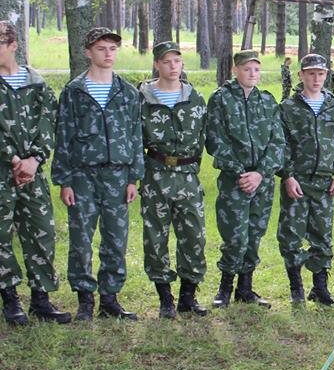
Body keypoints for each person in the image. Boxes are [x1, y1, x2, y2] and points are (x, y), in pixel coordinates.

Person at [52, 27, 144, 321]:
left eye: (113, 49)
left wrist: (133, 177)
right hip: (83, 176)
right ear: (88, 52)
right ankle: (84, 301)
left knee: (116, 238)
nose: (108, 54)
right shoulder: (74, 91)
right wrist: (64, 180)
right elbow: (63, 136)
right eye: (102, 48)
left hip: (117, 175)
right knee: (81, 239)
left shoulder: (128, 92)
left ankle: (109, 299)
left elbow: (135, 136)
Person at [0, 22, 72, 325]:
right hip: (3, 171)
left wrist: (34, 159)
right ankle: (10, 299)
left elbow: (49, 121)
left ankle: (41, 299)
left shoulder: (36, 82)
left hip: (33, 172)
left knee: (41, 231)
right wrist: (13, 158)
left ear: (13, 45)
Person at [205, 49, 284, 309]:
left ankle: (245, 288)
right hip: (234, 181)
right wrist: (241, 173)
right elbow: (215, 140)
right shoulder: (221, 99)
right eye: (247, 69)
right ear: (235, 70)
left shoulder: (268, 101)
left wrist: (261, 173)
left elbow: (278, 142)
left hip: (262, 181)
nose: (252, 74)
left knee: (254, 234)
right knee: (235, 235)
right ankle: (225, 288)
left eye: (257, 69)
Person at [277, 54, 334, 306]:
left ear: (327, 75)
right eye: (310, 73)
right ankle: (296, 287)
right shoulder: (288, 108)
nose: (316, 78)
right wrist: (287, 175)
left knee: (322, 235)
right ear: (301, 75)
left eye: (320, 74)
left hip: (324, 183)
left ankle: (320, 288)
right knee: (291, 235)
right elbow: (281, 146)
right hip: (297, 181)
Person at [139, 41, 208, 319]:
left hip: (188, 175)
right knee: (155, 237)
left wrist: (191, 169)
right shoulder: (143, 98)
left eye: (177, 61)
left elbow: (203, 137)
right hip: (156, 172)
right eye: (166, 62)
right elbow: (134, 138)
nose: (172, 66)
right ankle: (165, 297)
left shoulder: (195, 98)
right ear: (157, 64)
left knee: (194, 236)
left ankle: (188, 296)